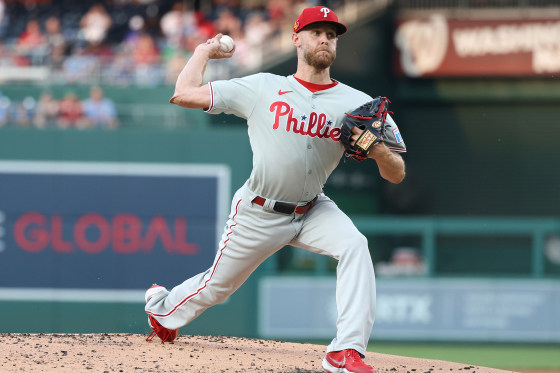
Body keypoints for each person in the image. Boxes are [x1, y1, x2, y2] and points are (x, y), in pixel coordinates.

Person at [144, 6, 406, 373]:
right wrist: (203, 51)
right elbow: (184, 94)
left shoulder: (357, 103)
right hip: (258, 210)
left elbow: (397, 173)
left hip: (313, 208)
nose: (325, 39)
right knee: (217, 288)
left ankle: (345, 352)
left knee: (355, 246)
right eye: (316, 32)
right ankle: (161, 307)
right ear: (296, 39)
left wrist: (378, 150)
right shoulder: (263, 87)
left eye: (332, 34)